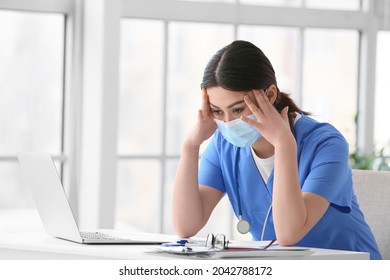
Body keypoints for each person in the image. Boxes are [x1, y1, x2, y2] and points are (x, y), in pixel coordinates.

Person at [172, 40, 382, 259]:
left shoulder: (327, 144)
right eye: (217, 111)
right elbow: (186, 226)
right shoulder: (224, 145)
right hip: (280, 268)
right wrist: (191, 145)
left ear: (270, 95)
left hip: (348, 268)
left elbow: (289, 233)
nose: (228, 122)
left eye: (237, 109)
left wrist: (283, 144)